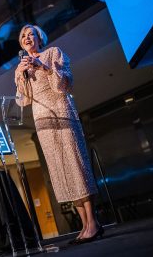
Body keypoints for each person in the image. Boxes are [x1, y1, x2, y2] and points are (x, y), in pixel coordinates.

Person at [14, 24, 103, 244]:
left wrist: (41, 65)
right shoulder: (20, 67)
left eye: (30, 34)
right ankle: (84, 225)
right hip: (42, 121)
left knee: (75, 164)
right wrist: (22, 75)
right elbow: (22, 100)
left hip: (62, 113)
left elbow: (65, 83)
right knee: (61, 170)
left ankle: (93, 222)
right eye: (23, 36)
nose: (26, 37)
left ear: (39, 38)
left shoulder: (53, 53)